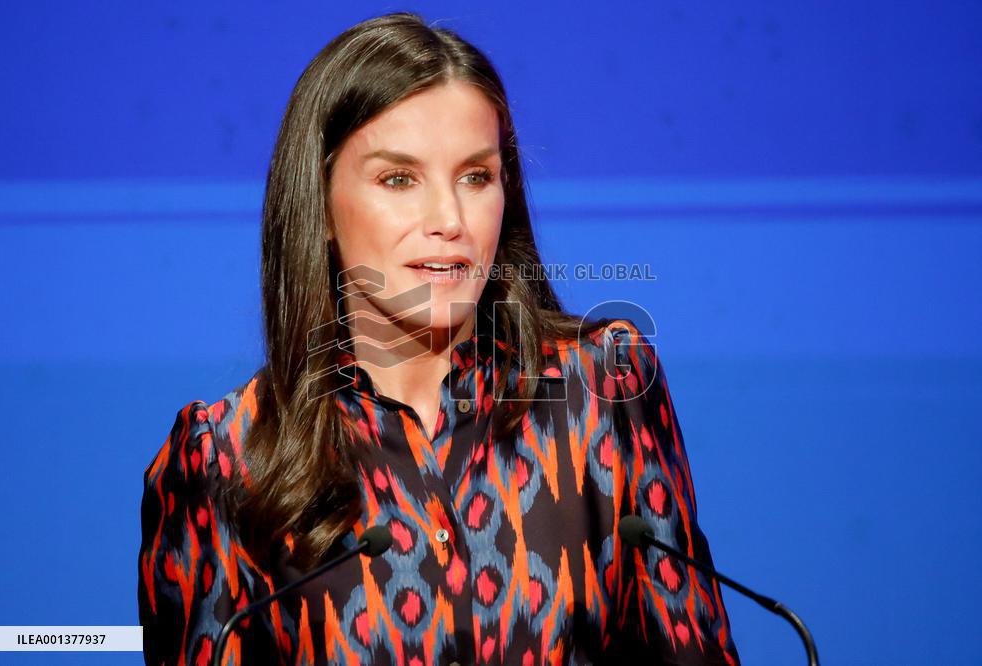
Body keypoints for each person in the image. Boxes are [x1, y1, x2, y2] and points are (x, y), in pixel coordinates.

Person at [137, 11, 739, 666]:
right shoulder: (229, 459)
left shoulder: (601, 389)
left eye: (476, 177)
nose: (449, 219)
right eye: (400, 179)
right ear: (321, 206)